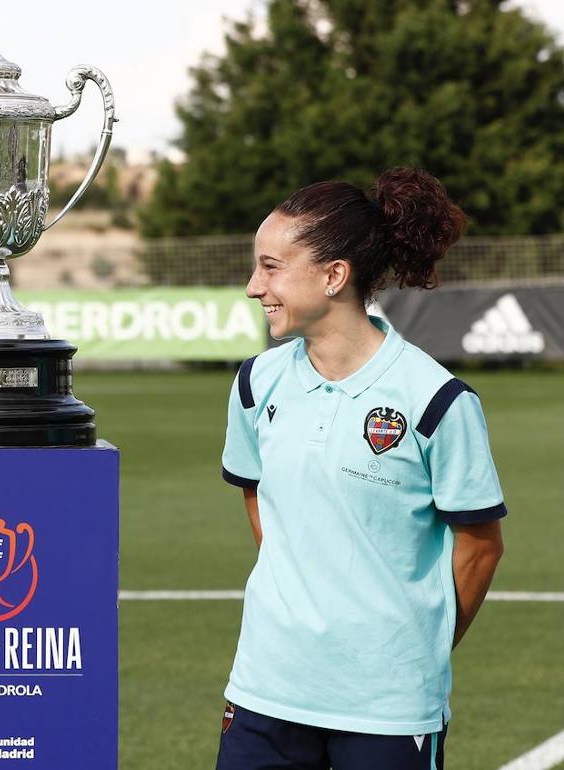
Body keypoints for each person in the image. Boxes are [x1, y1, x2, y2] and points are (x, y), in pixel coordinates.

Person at [215, 167, 505, 770]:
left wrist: (411, 650)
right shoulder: (254, 383)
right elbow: (258, 498)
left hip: (387, 710)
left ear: (333, 276)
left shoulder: (436, 400)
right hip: (264, 693)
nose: (252, 286)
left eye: (271, 267)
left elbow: (479, 546)